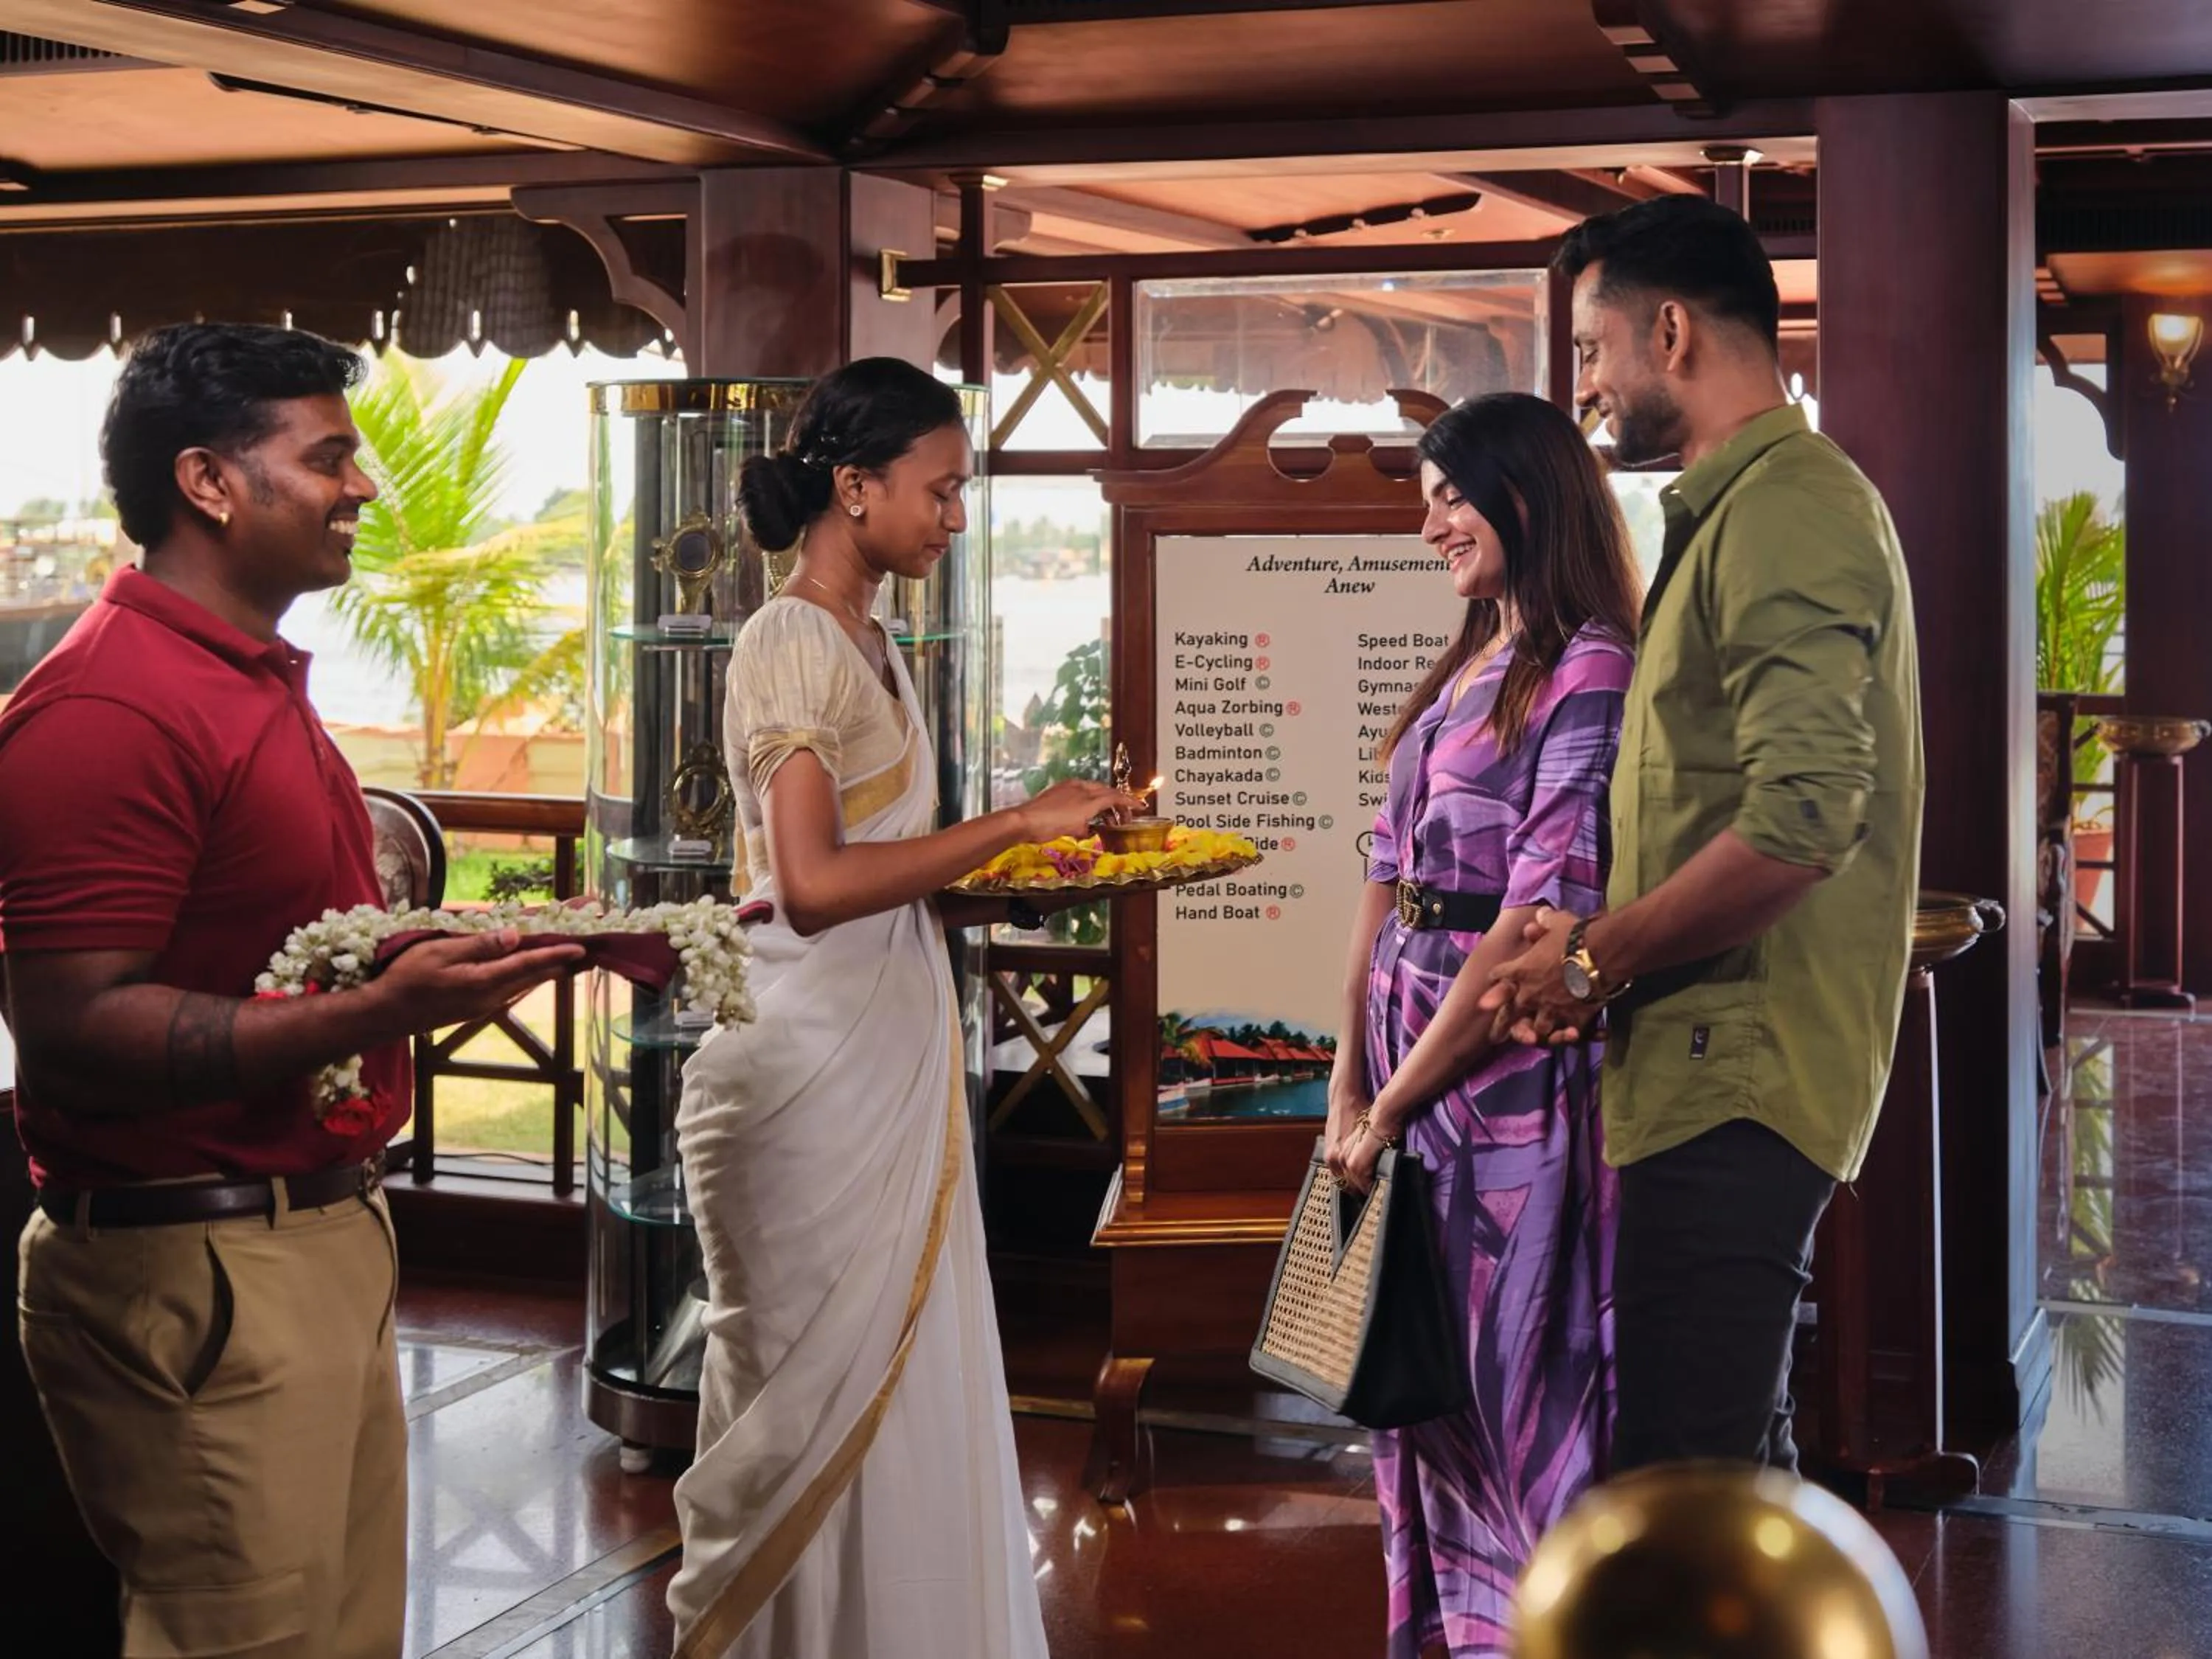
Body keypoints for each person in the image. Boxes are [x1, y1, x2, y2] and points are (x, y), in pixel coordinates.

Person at [0, 322, 584, 1659]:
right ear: (208, 482)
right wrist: (378, 1013)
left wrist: (418, 956)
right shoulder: (110, 708)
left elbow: (261, 944)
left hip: (314, 1239)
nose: (363, 485)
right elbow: (72, 1031)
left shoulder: (244, 678)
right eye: (327, 458)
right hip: (198, 1267)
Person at [665, 357, 1127, 1659]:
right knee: (811, 1400)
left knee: (912, 1388)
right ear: (855, 487)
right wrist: (1015, 821)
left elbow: (889, 885)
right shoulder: (791, 639)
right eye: (943, 489)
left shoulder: (874, 642)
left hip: (886, 1057)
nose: (958, 517)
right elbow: (811, 886)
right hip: (809, 1079)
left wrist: (1029, 877)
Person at [1482, 195, 1924, 1475]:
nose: (1584, 388)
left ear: (1669, 332)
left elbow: (1802, 822)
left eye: (1590, 350)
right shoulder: (1748, 505)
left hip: (1739, 1071)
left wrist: (1591, 960)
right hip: (1707, 1057)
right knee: (1729, 1476)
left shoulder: (1789, 507)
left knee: (1683, 1491)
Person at [1328, 392, 1641, 1659]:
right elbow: (1382, 875)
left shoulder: (1590, 664)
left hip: (1503, 1081)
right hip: (1406, 1062)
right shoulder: (1467, 661)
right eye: (1428, 501)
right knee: (1417, 1382)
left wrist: (1396, 1101)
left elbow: (1533, 923)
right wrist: (1347, 1085)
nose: (1431, 526)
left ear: (1527, 491)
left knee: (1513, 1385)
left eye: (1452, 496)